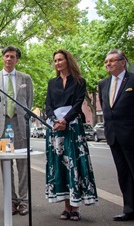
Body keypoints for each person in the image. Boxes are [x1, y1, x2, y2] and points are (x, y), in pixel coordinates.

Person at [45, 49, 98, 221]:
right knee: (60, 165)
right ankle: (66, 207)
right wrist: (55, 120)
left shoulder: (79, 81)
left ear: (68, 60)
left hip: (72, 127)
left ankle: (75, 207)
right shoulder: (52, 82)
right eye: (55, 60)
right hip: (56, 129)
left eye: (60, 59)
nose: (57, 63)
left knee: (74, 164)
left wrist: (65, 120)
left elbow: (77, 104)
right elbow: (48, 104)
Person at [0, 45, 33, 216]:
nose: (9, 59)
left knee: (23, 165)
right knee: (5, 165)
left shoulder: (25, 78)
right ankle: (11, 201)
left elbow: (29, 101)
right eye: (6, 56)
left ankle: (24, 201)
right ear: (2, 58)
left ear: (17, 60)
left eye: (12, 56)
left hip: (19, 125)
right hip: (0, 127)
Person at [98, 49, 134, 221]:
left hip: (131, 134)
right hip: (113, 135)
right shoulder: (103, 84)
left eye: (112, 60)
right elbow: (107, 108)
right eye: (106, 62)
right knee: (123, 173)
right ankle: (129, 209)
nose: (108, 64)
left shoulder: (132, 79)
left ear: (123, 62)